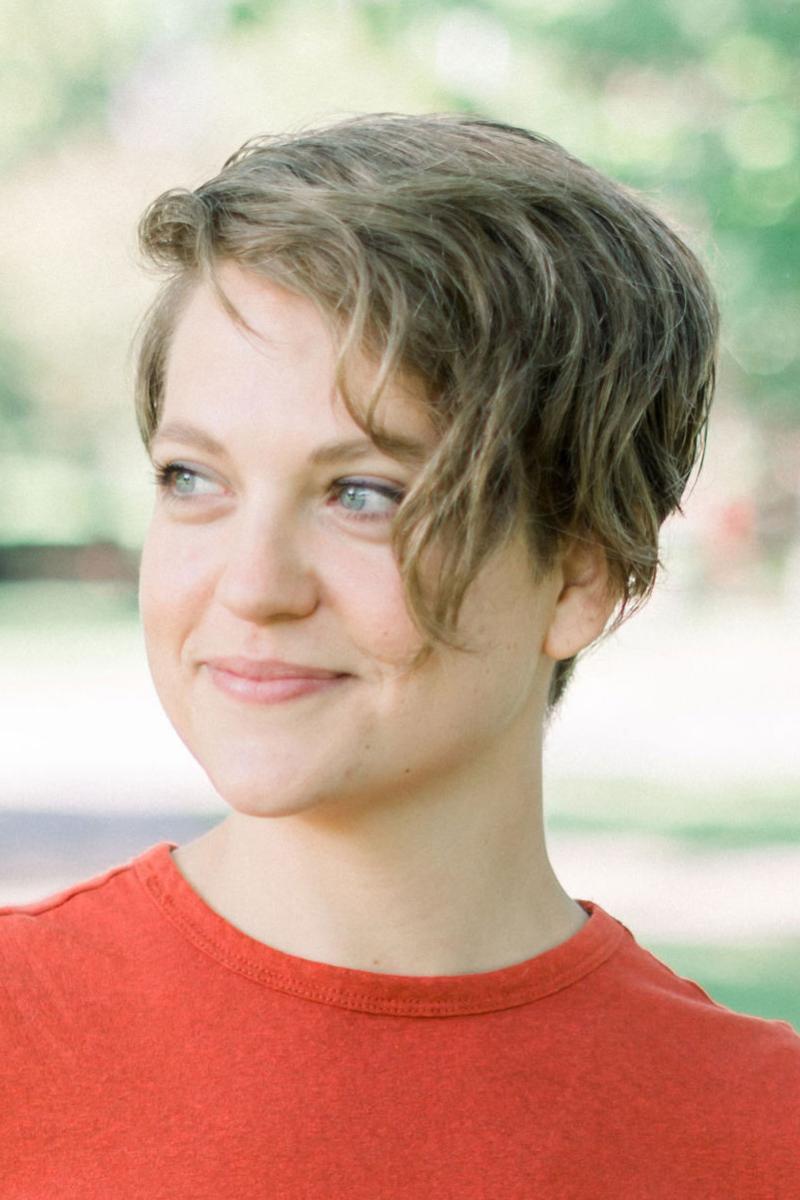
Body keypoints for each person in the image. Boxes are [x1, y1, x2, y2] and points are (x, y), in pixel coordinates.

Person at [2, 112, 798, 1197]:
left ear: (580, 575)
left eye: (363, 494)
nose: (250, 585)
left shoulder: (758, 1136)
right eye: (195, 479)